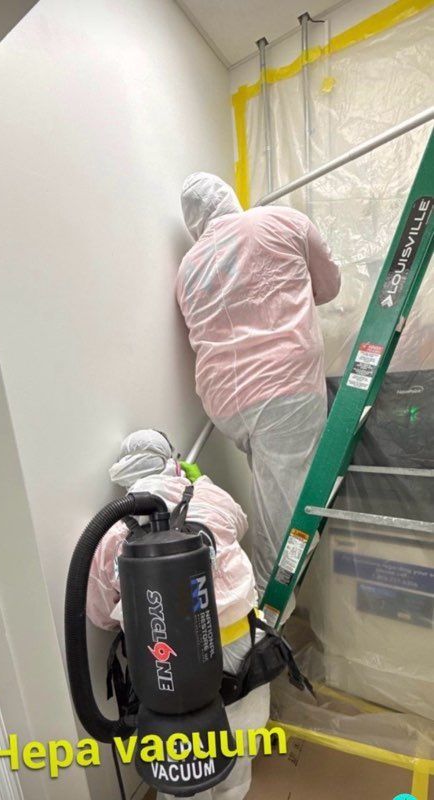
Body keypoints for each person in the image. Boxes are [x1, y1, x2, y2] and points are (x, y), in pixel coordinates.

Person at [177, 173, 340, 597]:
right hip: (282, 389)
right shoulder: (283, 222)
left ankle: (264, 599)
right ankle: (268, 614)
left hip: (224, 402)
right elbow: (329, 286)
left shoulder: (187, 266)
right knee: (286, 513)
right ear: (229, 196)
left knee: (272, 493)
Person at [87, 429, 270, 800]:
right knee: (238, 745)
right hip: (240, 641)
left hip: (166, 664)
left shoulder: (112, 534)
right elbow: (239, 523)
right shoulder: (207, 496)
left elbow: (100, 615)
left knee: (183, 768)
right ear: (172, 461)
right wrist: (201, 482)